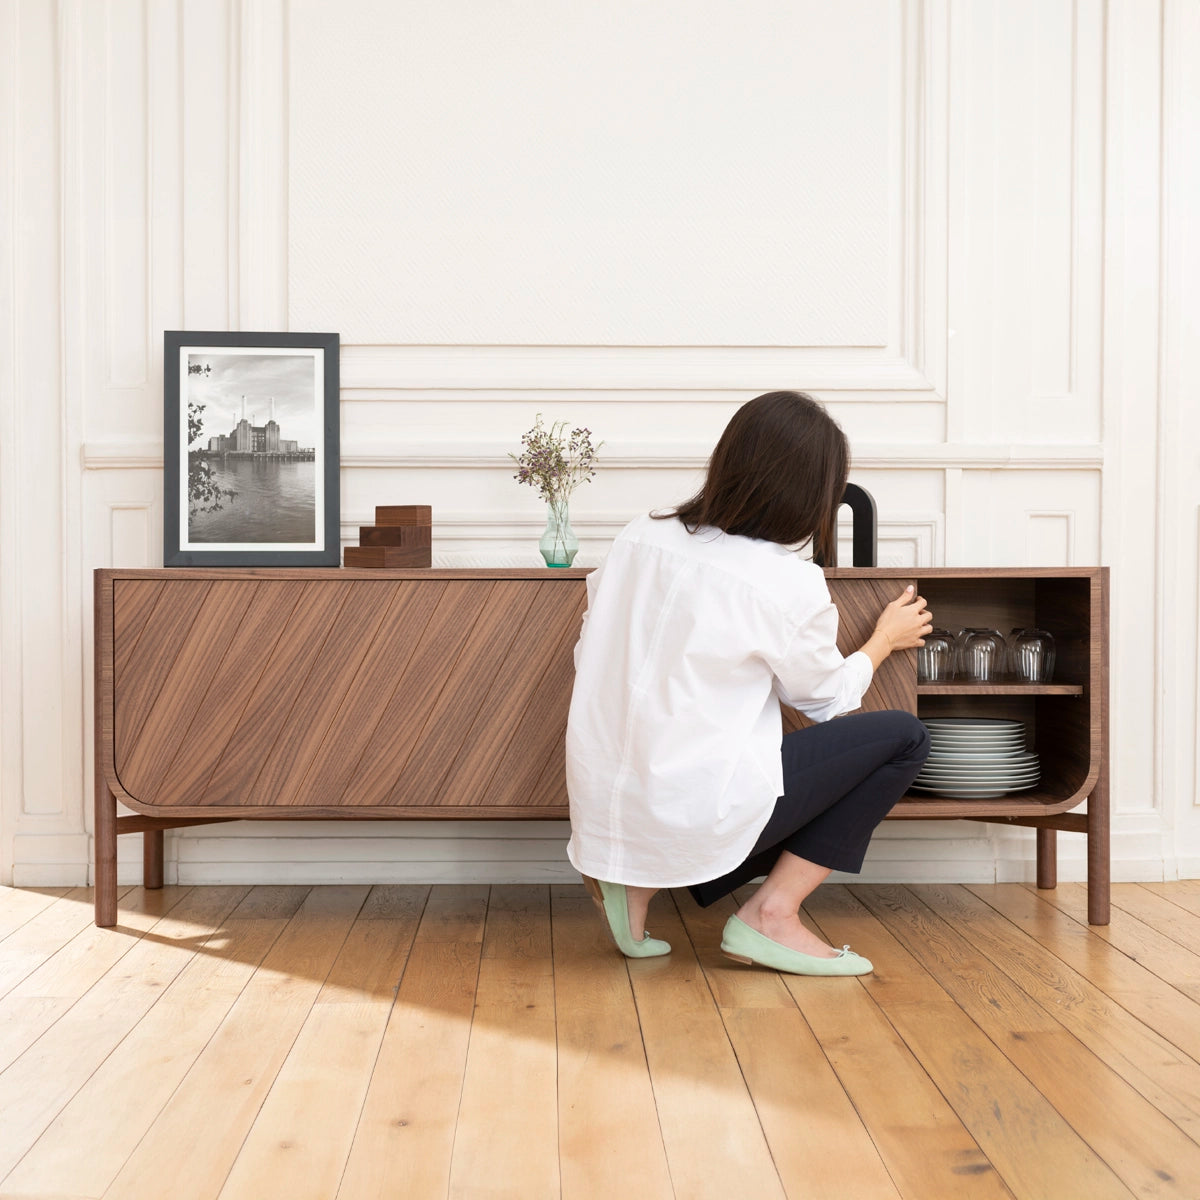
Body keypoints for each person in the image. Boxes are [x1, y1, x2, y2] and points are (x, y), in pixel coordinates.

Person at [565, 390, 932, 977]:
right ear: (816, 491)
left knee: (715, 758)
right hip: (693, 808)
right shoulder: (787, 581)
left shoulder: (641, 534)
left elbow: (592, 642)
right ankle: (772, 912)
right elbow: (826, 700)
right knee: (904, 738)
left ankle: (632, 887)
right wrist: (882, 640)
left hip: (608, 800)